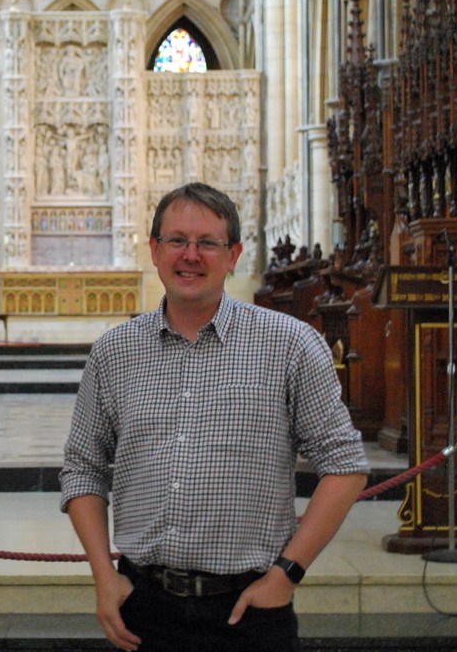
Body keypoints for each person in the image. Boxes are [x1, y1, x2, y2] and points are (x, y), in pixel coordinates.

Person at [60, 182, 369, 652]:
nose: (191, 255)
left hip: (249, 609)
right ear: (154, 249)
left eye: (208, 242)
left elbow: (345, 466)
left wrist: (287, 574)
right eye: (177, 240)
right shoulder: (114, 352)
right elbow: (82, 467)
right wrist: (103, 575)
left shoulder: (289, 344)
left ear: (234, 254)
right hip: (143, 606)